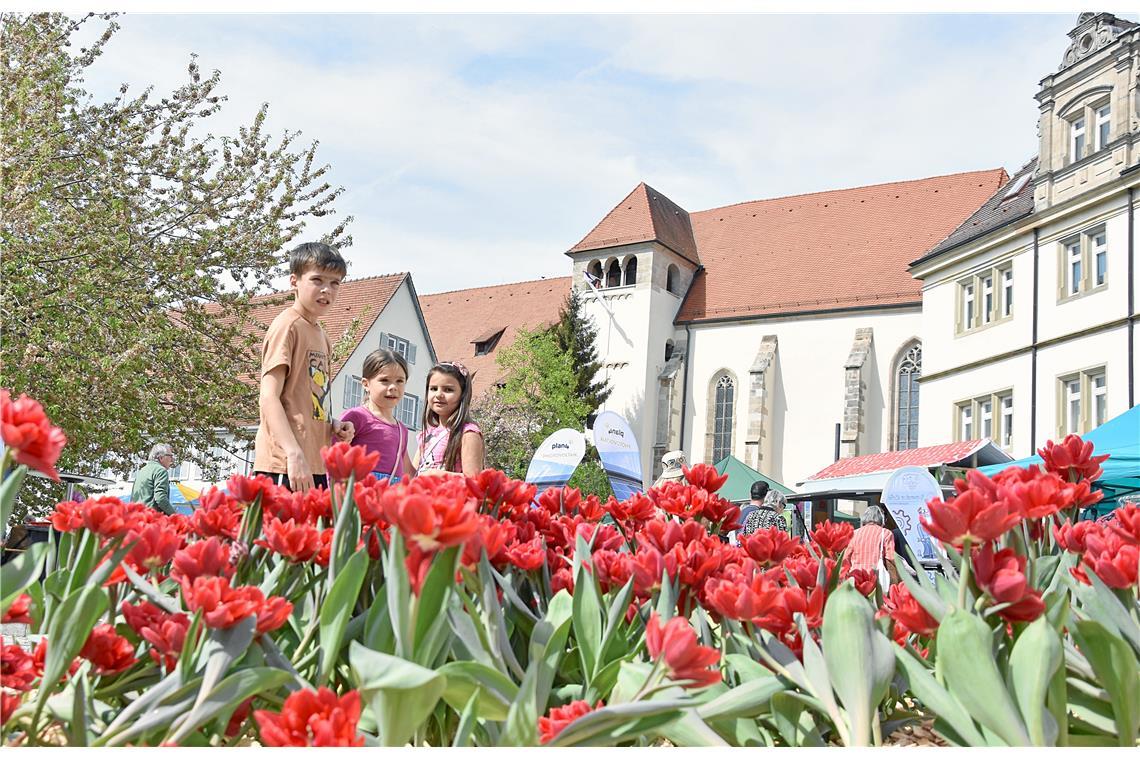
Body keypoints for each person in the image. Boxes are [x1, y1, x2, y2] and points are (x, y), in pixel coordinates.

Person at [253, 242, 355, 493]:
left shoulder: (321, 334)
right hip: (284, 464)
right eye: (317, 280)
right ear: (294, 281)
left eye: (334, 283)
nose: (326, 290)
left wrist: (333, 424)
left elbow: (308, 399)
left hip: (315, 464)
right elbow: (268, 397)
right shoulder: (288, 326)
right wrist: (292, 452)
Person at [340, 350, 414, 482]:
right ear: (366, 384)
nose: (393, 387)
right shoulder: (356, 417)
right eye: (384, 380)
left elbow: (407, 471)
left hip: (389, 497)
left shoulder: (402, 430)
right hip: (360, 493)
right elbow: (336, 456)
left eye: (399, 381)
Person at [412, 361, 485, 477]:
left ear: (462, 395)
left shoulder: (468, 433)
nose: (439, 395)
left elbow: (473, 479)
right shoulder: (427, 434)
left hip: (450, 494)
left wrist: (436, 475)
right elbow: (412, 474)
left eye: (448, 390)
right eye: (433, 389)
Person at [848, 504, 900, 588]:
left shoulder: (854, 533)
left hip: (855, 577)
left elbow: (846, 558)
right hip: (875, 579)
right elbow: (890, 558)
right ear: (881, 519)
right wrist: (895, 583)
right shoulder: (886, 533)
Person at [131, 443, 176, 515]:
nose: (172, 460)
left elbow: (133, 497)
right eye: (170, 456)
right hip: (152, 518)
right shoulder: (161, 470)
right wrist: (175, 515)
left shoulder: (142, 470)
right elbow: (161, 498)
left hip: (138, 516)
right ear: (161, 457)